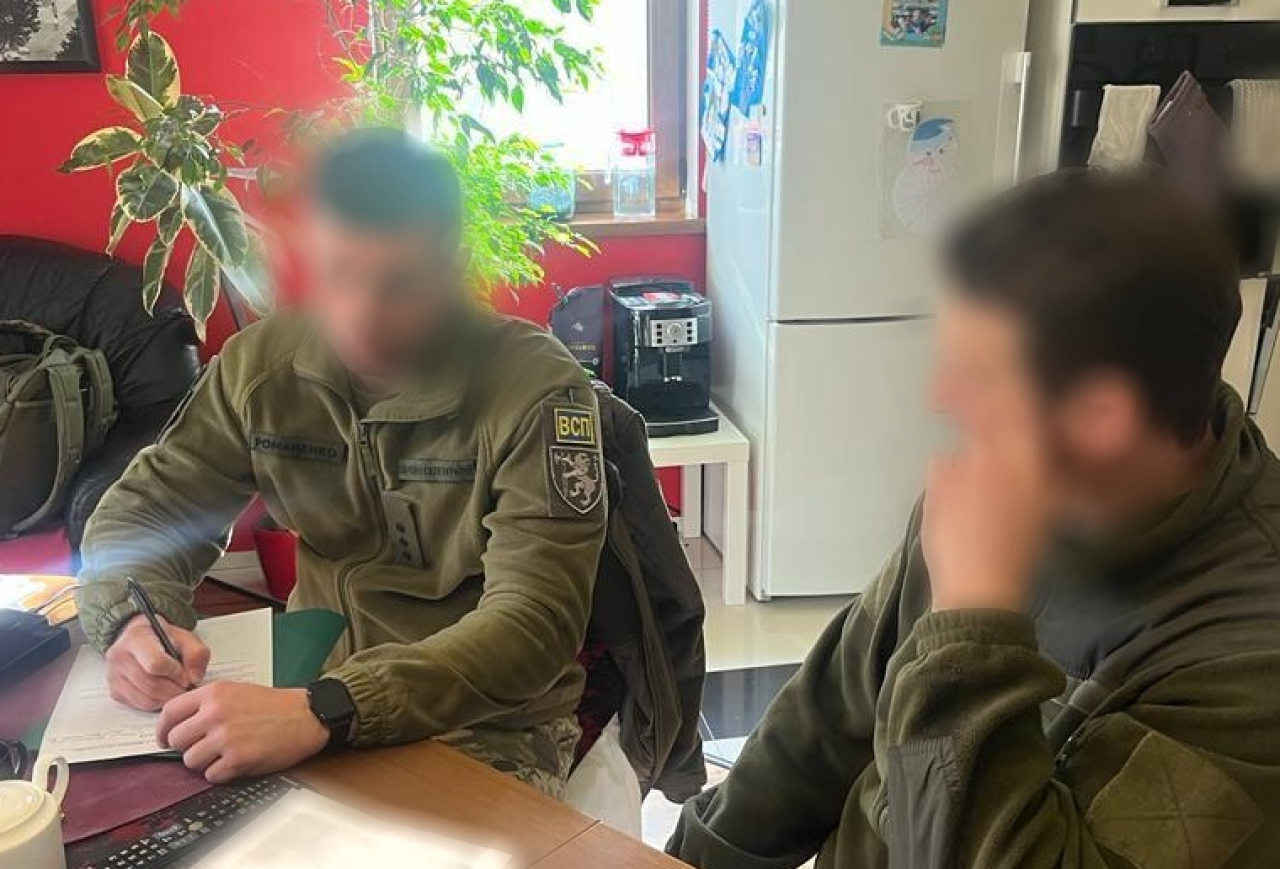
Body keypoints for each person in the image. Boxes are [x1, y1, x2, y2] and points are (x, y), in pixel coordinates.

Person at [668, 169, 1280, 868]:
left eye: (978, 373)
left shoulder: (1251, 668)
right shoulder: (999, 488)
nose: (940, 395)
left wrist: (971, 622)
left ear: (1100, 416)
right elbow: (823, 722)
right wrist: (687, 860)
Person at [74, 128, 607, 797]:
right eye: (339, 275)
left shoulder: (535, 390)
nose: (363, 316)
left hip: (483, 717)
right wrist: (133, 621)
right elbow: (146, 512)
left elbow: (533, 624)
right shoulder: (260, 369)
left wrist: (332, 708)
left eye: (399, 284)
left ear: (454, 267)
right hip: (306, 684)